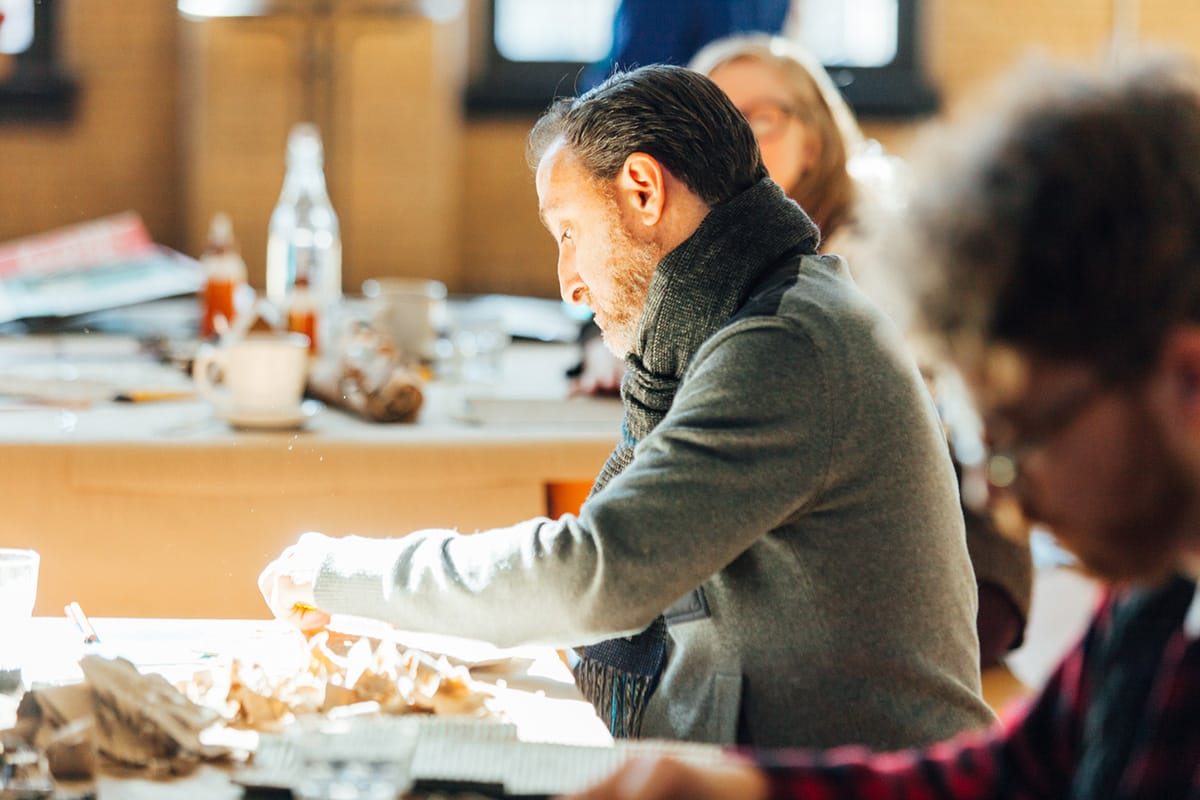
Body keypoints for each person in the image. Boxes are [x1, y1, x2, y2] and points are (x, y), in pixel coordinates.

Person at [259, 64, 994, 749]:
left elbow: (597, 574)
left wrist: (341, 572)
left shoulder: (785, 344)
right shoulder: (762, 312)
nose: (568, 284)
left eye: (569, 234)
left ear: (643, 191)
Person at [569, 51, 1200, 798]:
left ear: (1188, 383)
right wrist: (747, 788)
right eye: (982, 445)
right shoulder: (1157, 593)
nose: (997, 500)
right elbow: (1017, 772)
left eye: (1020, 443)